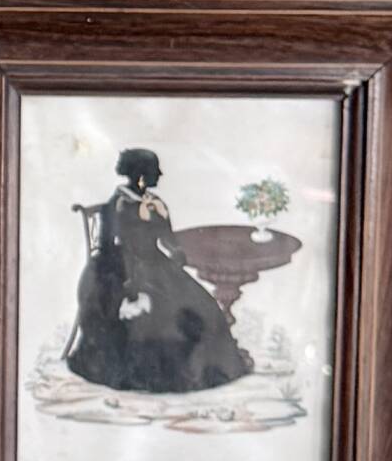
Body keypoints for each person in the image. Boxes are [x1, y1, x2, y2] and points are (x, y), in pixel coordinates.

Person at [65, 148, 256, 395]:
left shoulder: (154, 203)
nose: (160, 175)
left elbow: (166, 238)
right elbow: (108, 249)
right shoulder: (117, 206)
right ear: (140, 176)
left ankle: (209, 367)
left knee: (203, 305)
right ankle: (170, 376)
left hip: (156, 264)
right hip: (123, 269)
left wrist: (175, 251)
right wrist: (128, 292)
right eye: (155, 171)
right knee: (163, 315)